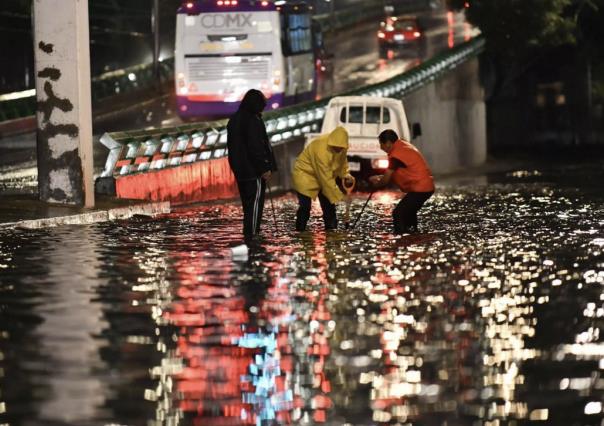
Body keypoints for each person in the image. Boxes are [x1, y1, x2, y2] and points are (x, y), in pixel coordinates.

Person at [227, 89, 277, 238]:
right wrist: (264, 168)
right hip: (253, 171)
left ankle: (249, 233)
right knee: (255, 206)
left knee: (247, 206)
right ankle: (253, 235)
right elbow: (256, 147)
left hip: (240, 170)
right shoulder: (253, 120)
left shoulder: (234, 119)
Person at [369, 129, 434, 234]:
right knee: (409, 212)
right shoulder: (403, 147)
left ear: (389, 143)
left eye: (381, 144)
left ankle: (401, 238)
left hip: (420, 188)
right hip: (425, 187)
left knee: (398, 214)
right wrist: (379, 177)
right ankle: (413, 236)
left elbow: (385, 180)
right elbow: (393, 173)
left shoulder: (396, 155)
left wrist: (377, 183)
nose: (381, 147)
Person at [292, 126, 355, 231]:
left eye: (341, 148)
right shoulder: (320, 149)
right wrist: (342, 197)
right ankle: (300, 230)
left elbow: (342, 163)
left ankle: (331, 230)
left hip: (324, 176)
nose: (338, 149)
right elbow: (326, 179)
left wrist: (346, 175)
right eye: (336, 147)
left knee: (329, 206)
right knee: (305, 207)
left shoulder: (342, 148)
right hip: (305, 174)